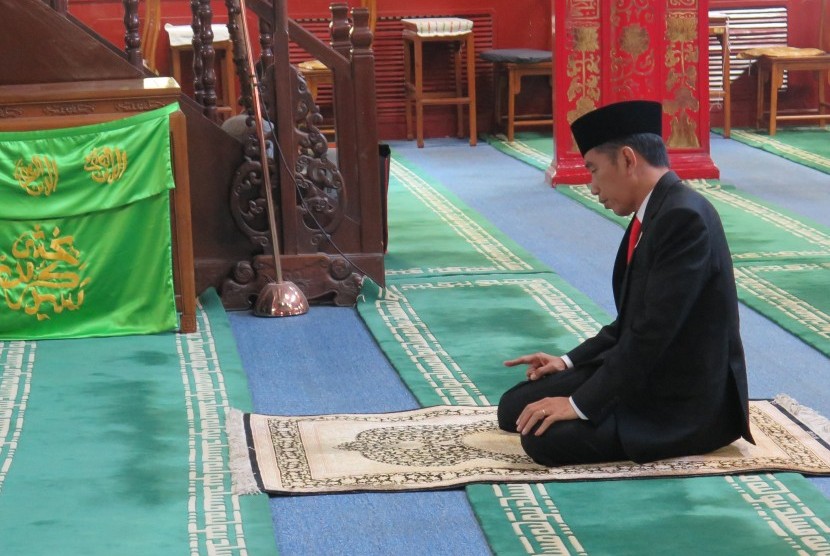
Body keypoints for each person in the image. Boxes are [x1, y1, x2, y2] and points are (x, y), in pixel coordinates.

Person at [497, 100, 754, 466]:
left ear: (629, 160)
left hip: (682, 401)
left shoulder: (684, 219)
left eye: (594, 170)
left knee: (543, 440)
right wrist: (568, 363)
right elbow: (632, 322)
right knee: (514, 408)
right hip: (648, 370)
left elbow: (652, 335)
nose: (591, 186)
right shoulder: (657, 212)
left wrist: (577, 404)